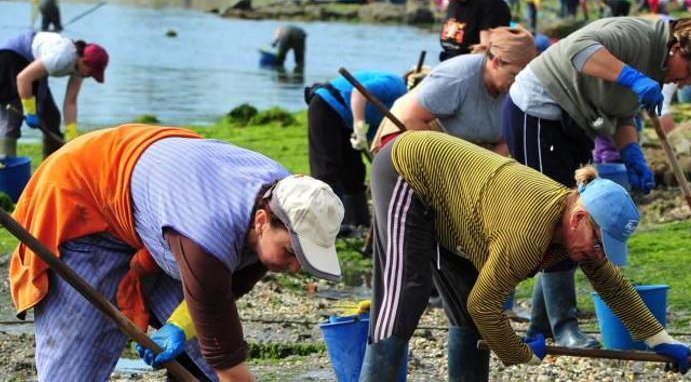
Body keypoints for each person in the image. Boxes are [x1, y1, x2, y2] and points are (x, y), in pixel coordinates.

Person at [9, 124, 344, 381]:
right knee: (73, 370)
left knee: (202, 357)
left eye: (305, 257)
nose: (296, 267)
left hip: (155, 214)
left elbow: (223, 294)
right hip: (83, 199)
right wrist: (208, 340)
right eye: (290, 252)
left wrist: (179, 326)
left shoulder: (289, 199)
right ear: (261, 220)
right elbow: (227, 357)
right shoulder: (208, 234)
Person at [360, 130, 691, 381]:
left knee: (469, 316)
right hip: (409, 169)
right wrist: (521, 354)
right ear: (579, 218)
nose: (597, 254)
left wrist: (660, 339)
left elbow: (613, 286)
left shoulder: (578, 224)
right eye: (598, 244)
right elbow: (485, 304)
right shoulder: (528, 234)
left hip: (457, 209)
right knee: (405, 294)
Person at [503, 16, 691, 348]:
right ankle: (563, 326)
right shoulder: (635, 36)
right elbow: (578, 51)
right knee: (562, 219)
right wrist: (634, 77)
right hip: (540, 108)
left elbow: (624, 113)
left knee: (575, 217)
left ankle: (541, 327)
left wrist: (632, 153)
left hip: (575, 122)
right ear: (678, 47)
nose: (686, 82)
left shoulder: (656, 69)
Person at [374, 26, 538, 155]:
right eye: (514, 75)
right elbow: (410, 118)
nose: (518, 82)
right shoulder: (458, 77)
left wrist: (486, 169)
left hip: (461, 147)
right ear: (496, 62)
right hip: (407, 134)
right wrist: (451, 163)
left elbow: (507, 139)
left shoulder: (515, 88)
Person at [306, 71, 406, 233]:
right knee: (327, 168)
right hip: (327, 106)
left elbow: (376, 141)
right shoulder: (396, 86)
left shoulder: (397, 114)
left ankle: (359, 222)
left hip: (347, 120)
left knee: (354, 171)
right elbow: (358, 93)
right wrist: (359, 127)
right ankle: (330, 225)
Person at [0, 30, 108, 158]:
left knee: (51, 117)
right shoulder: (62, 58)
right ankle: (6, 165)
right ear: (84, 61)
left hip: (33, 65)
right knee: (12, 117)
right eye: (91, 72)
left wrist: (71, 133)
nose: (90, 76)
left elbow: (71, 101)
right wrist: (30, 112)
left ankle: (51, 166)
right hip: (12, 57)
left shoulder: (80, 69)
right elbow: (23, 79)